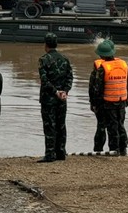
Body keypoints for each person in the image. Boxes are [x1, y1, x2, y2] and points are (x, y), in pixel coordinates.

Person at [89, 40, 128, 156]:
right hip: (122, 101)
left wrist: (94, 104)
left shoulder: (102, 68)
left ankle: (111, 150)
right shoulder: (123, 65)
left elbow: (97, 89)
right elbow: (127, 85)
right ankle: (123, 149)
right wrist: (126, 100)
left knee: (108, 127)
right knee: (120, 126)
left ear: (102, 55)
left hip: (108, 103)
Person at [37, 33, 73, 163]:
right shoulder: (65, 58)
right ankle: (61, 153)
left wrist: (55, 91)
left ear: (45, 45)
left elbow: (44, 80)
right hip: (62, 98)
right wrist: (65, 91)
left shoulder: (43, 59)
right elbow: (70, 77)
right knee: (61, 125)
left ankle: (50, 154)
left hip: (48, 99)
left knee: (49, 126)